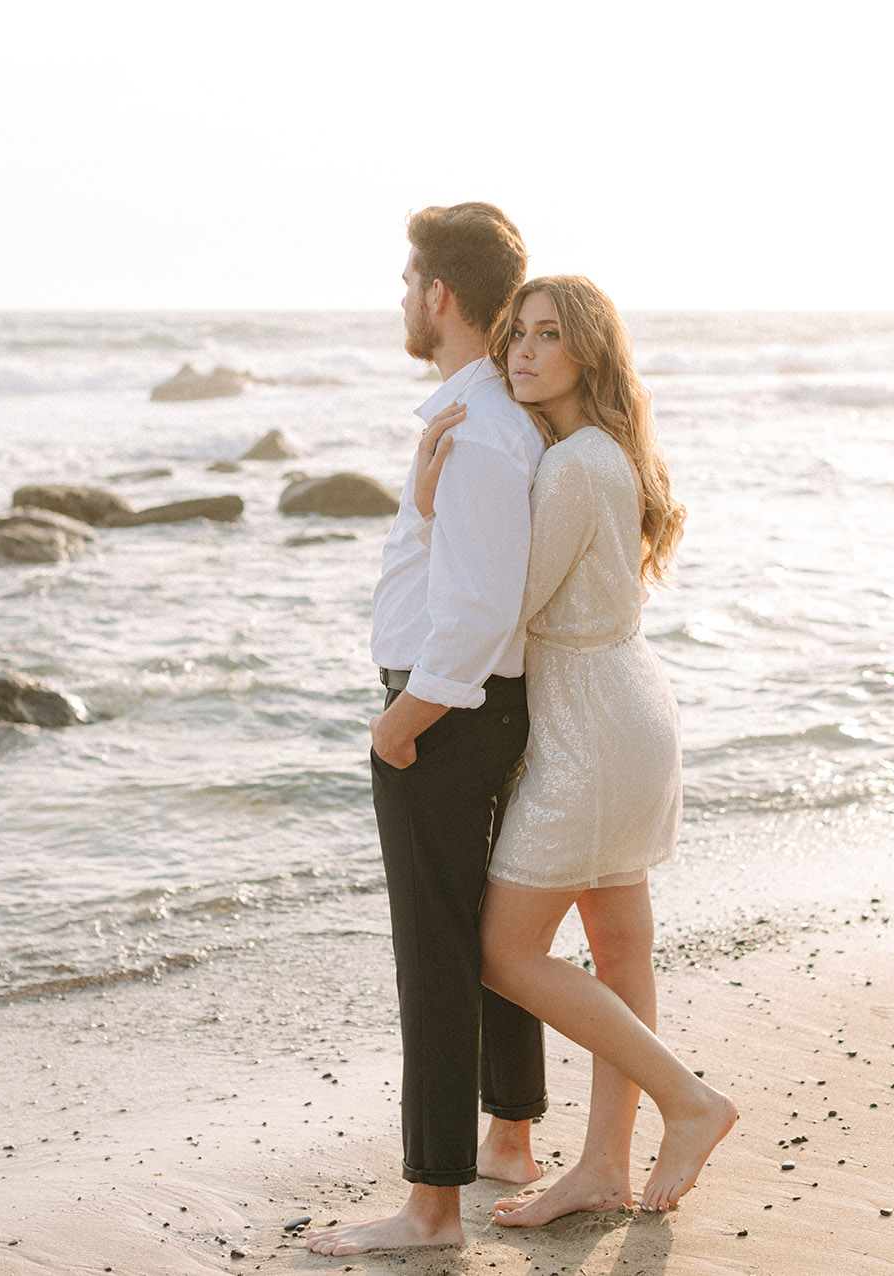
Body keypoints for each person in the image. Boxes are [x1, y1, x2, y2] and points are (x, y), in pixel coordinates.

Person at [412, 276, 738, 1226]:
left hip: (590, 731)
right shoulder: (605, 453)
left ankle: (690, 1101)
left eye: (548, 336)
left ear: (587, 353)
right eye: (516, 333)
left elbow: (503, 602)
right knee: (619, 947)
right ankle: (603, 1165)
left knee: (505, 954)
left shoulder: (570, 468)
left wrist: (435, 509)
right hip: (629, 710)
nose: (521, 351)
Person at [305, 204, 548, 1258]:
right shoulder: (480, 419)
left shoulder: (483, 427)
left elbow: (481, 609)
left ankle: (434, 1208)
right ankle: (508, 1139)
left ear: (438, 295)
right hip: (460, 709)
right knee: (485, 940)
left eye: (408, 282)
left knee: (435, 954)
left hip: (444, 715)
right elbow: (467, 566)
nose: (402, 299)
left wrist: (401, 723)